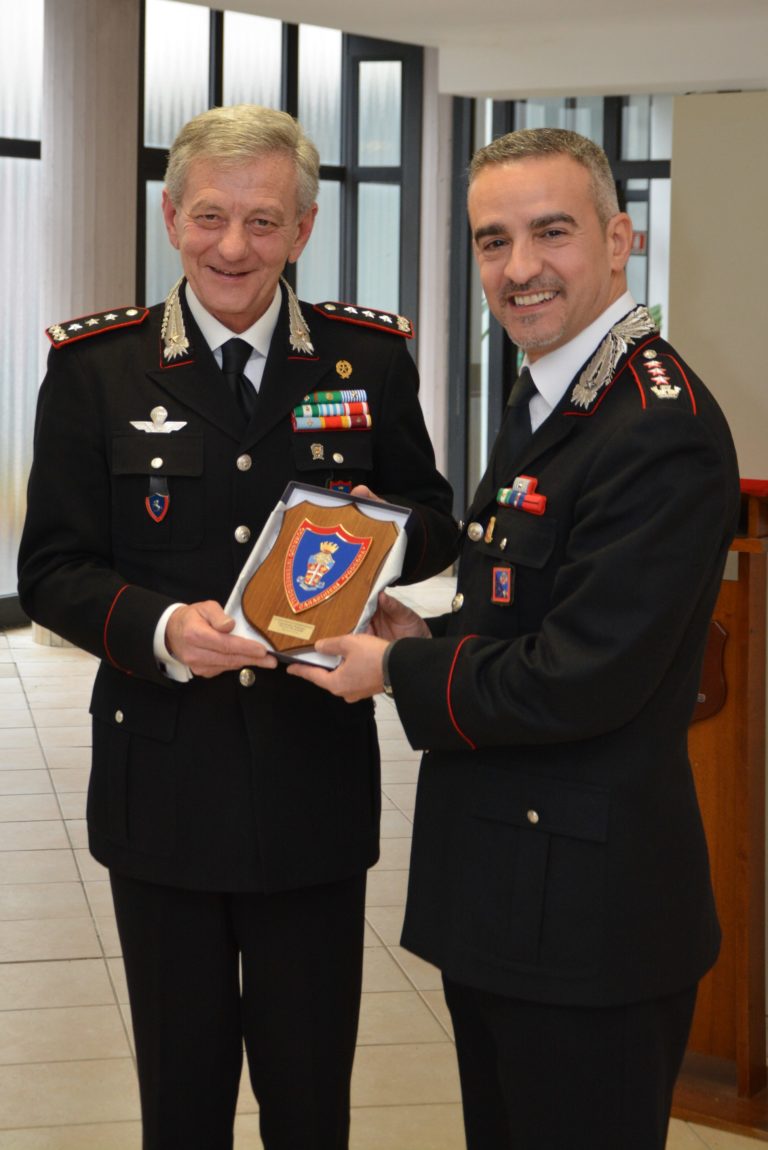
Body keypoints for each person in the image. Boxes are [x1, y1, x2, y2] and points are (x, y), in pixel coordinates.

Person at [288, 128, 741, 1149]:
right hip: (508, 893)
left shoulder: (653, 423)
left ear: (619, 240)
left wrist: (396, 667)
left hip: (592, 918)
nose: (520, 267)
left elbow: (582, 674)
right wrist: (426, 624)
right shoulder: (554, 389)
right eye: (494, 241)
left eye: (552, 232)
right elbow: (524, 601)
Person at [17, 104, 457, 1150]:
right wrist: (164, 626)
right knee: (182, 1100)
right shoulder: (98, 368)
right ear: (171, 218)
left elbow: (434, 521)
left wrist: (372, 545)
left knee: (311, 1099)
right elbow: (52, 571)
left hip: (313, 782)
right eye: (210, 216)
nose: (233, 246)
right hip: (162, 786)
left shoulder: (365, 359)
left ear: (303, 229)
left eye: (264, 222)